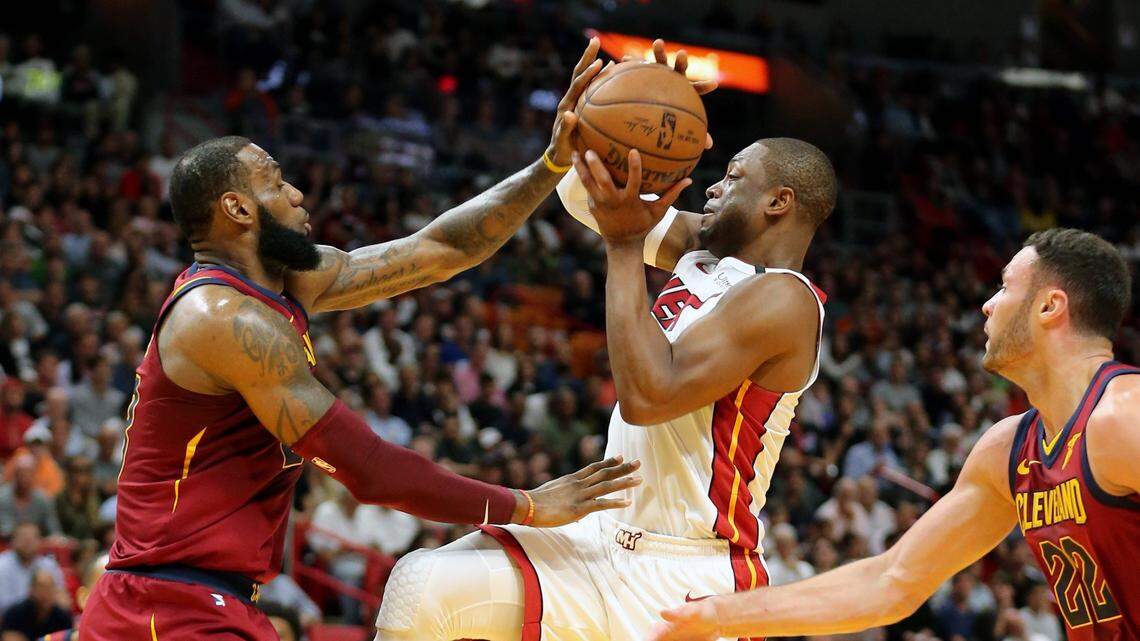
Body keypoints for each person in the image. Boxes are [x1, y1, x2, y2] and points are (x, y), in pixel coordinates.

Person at [79, 38, 641, 641]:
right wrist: (527, 506)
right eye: (275, 183)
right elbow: (368, 470)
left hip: (202, 601)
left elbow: (440, 250)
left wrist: (550, 164)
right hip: (163, 607)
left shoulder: (288, 282)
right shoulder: (223, 319)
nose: (296, 194)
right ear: (238, 210)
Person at [375, 40, 837, 641]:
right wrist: (594, 129)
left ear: (780, 203)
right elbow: (583, 199)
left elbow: (650, 395)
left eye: (733, 176)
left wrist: (624, 247)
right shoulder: (703, 252)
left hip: (689, 573)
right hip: (597, 539)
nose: (713, 186)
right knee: (425, 587)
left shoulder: (785, 300)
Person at [650, 228, 1140, 641]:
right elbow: (891, 581)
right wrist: (717, 614)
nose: (988, 306)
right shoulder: (1010, 450)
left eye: (1005, 288)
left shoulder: (1123, 417)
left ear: (1050, 307)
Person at [0, 567, 72, 641]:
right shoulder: (14, 614)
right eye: (41, 587)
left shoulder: (63, 617)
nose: (45, 593)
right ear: (31, 589)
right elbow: (8, 637)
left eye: (49, 588)